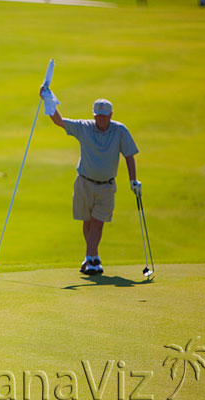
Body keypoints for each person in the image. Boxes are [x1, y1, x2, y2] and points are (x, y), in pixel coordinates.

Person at [40, 87, 142, 275]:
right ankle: (94, 258)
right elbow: (60, 121)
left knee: (97, 222)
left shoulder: (119, 131)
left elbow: (129, 155)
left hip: (107, 186)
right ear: (94, 115)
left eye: (104, 116)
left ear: (111, 114)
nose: (101, 119)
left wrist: (133, 180)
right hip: (84, 182)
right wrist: (48, 100)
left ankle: (90, 260)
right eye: (98, 116)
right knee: (87, 222)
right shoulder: (84, 127)